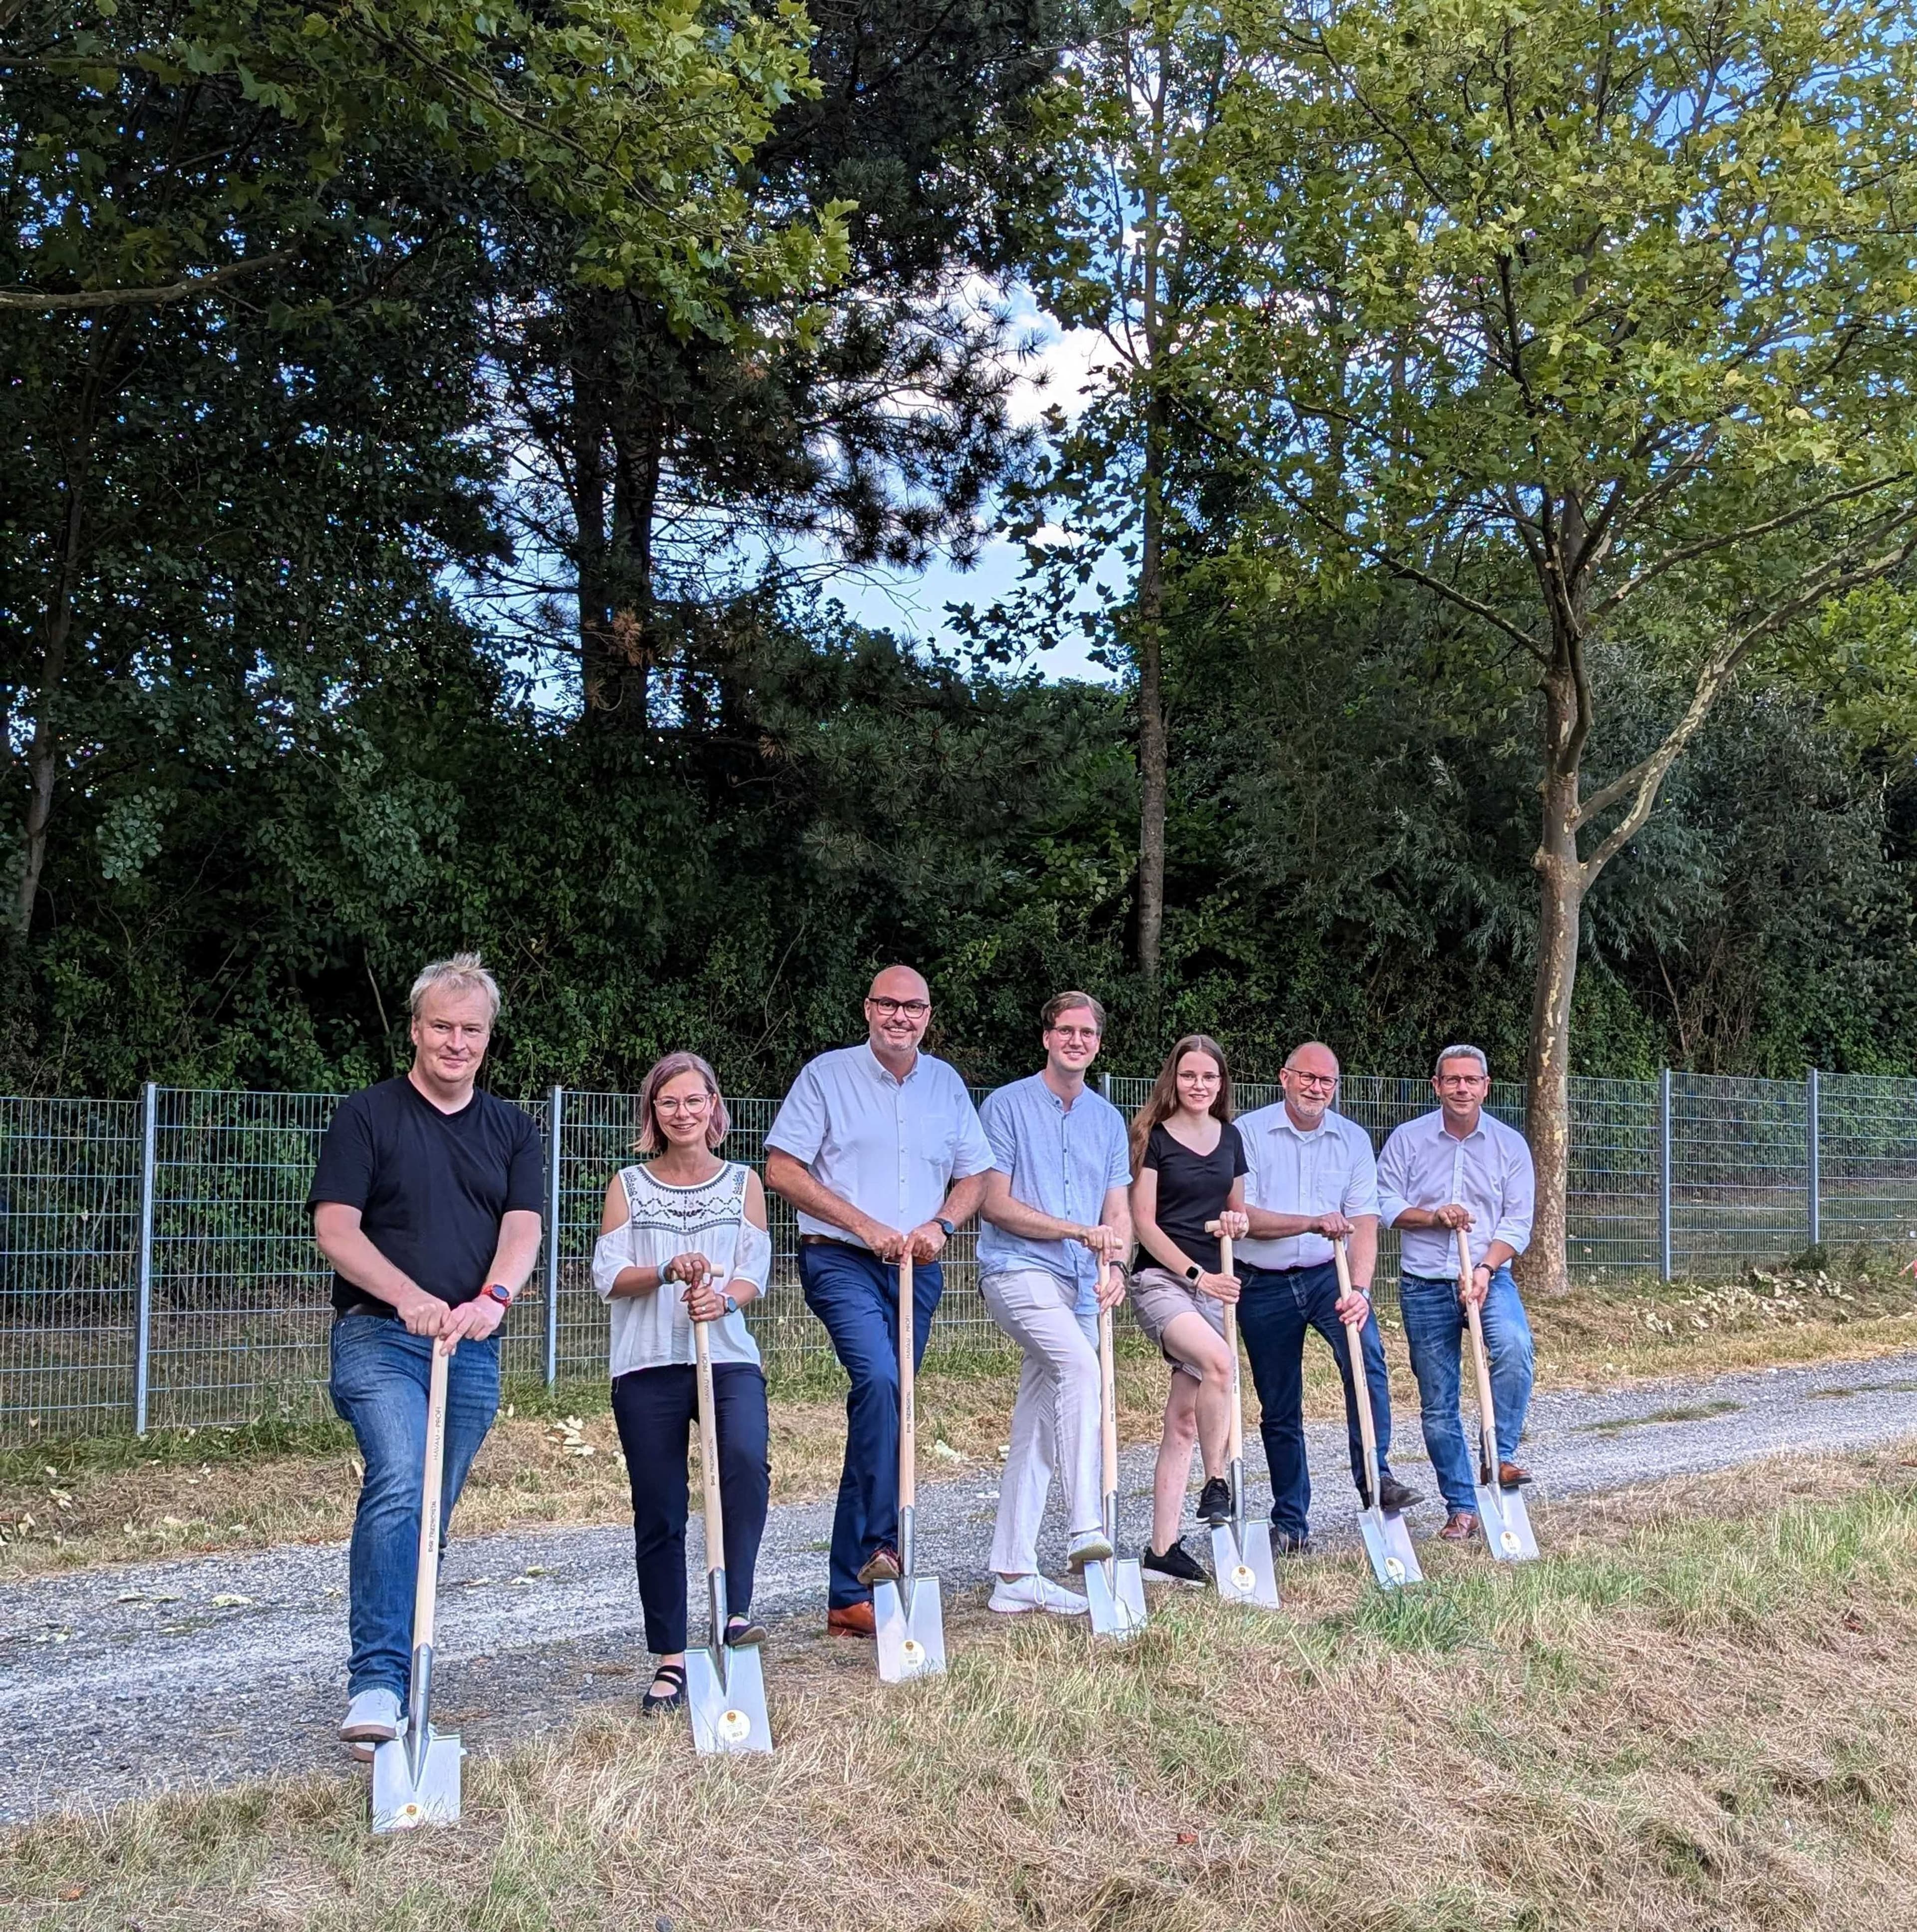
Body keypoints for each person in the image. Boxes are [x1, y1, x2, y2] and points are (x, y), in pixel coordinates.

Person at [310, 952, 543, 1760]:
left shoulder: (514, 1129)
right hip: (380, 1338)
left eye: (470, 1029)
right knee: (401, 1480)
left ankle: (406, 1676)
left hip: (471, 1352)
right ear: (414, 1029)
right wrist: (407, 1295)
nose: (455, 1041)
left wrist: (494, 1302)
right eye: (440, 1026)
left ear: (487, 1037)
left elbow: (523, 1231)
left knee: (427, 1522)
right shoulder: (366, 1117)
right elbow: (337, 1230)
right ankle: (375, 1681)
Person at [763, 966, 992, 1637]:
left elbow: (976, 1172)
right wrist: (862, 1223)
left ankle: (848, 1592)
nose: (901, 1015)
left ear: (928, 1014)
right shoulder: (826, 1076)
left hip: (914, 1267)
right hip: (840, 1258)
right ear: (867, 1009)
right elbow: (781, 1167)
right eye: (889, 1003)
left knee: (888, 1407)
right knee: (880, 1381)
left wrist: (942, 1225)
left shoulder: (946, 1084)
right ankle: (880, 1549)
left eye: (914, 1006)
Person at [592, 1052, 773, 1715]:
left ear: (714, 1106)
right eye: (670, 1103)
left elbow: (755, 1269)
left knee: (746, 1465)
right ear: (654, 1114)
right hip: (646, 1364)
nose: (684, 1113)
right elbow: (607, 1275)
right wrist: (667, 1268)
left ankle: (734, 1610)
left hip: (725, 1356)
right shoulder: (630, 1185)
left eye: (695, 1100)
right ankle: (671, 1657)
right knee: (661, 1507)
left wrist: (725, 1301)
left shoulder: (743, 1183)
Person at [975, 991, 1133, 1615]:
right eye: (1065, 1030)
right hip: (1017, 1271)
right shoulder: (1007, 1106)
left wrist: (1117, 1262)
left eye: (1087, 1033)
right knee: (1080, 1368)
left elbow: (1117, 1209)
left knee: (1038, 1425)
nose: (1076, 1041)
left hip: (1081, 1281)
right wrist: (1074, 1230)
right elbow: (994, 1202)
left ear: (1097, 1043)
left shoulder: (1108, 1120)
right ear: (1046, 1037)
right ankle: (1086, 1527)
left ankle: (1012, 1574)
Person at [1236, 1041, 1421, 1555]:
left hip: (1329, 1275)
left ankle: (1375, 1476)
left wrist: (1359, 1290)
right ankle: (1291, 1524)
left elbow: (1364, 1221)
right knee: (1280, 1406)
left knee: (1367, 1359)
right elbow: (1244, 1215)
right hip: (1262, 1280)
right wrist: (1312, 1221)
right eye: (1307, 1078)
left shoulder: (1354, 1140)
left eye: (1327, 1081)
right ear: (1284, 1078)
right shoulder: (1248, 1133)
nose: (1317, 1088)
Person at [1376, 1043, 1537, 1541]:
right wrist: (1432, 1216)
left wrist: (1487, 1269)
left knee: (1513, 1348)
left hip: (1489, 1277)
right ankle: (1463, 1506)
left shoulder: (1510, 1146)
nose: (1462, 1088)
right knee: (1439, 1403)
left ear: (1486, 1087)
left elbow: (1518, 1221)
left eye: (1472, 1080)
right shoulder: (1408, 1140)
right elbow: (1383, 1203)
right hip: (1425, 1282)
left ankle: (1499, 1455)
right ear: (1437, 1086)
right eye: (1452, 1080)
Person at [1126, 1034, 1251, 1587]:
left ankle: (1162, 1550)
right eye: (1189, 1076)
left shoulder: (1232, 1139)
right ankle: (1216, 1482)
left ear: (1221, 1084)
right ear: (1172, 1079)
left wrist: (1235, 1225)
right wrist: (1195, 1275)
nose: (1199, 1086)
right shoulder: (1154, 1138)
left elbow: (1237, 1211)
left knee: (1181, 1421)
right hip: (1161, 1281)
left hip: (1213, 1285)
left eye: (1209, 1077)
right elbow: (1145, 1222)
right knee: (1221, 1362)